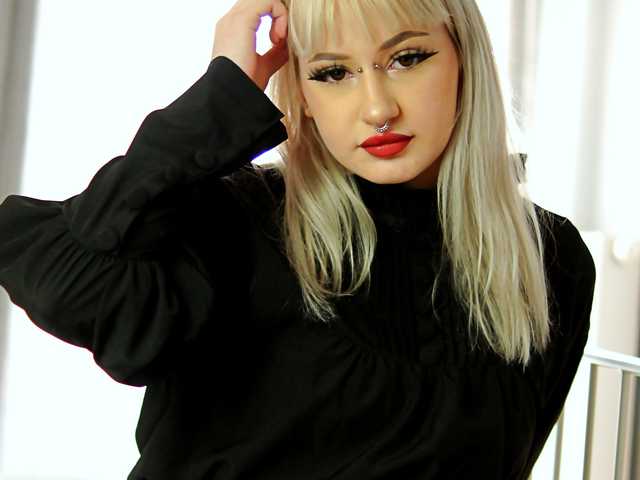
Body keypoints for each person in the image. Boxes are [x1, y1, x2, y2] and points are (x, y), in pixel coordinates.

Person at [0, 0, 596, 478]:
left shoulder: (550, 259)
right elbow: (67, 279)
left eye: (407, 58)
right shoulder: (239, 218)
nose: (378, 107)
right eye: (333, 72)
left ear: (464, 59)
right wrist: (221, 95)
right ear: (303, 95)